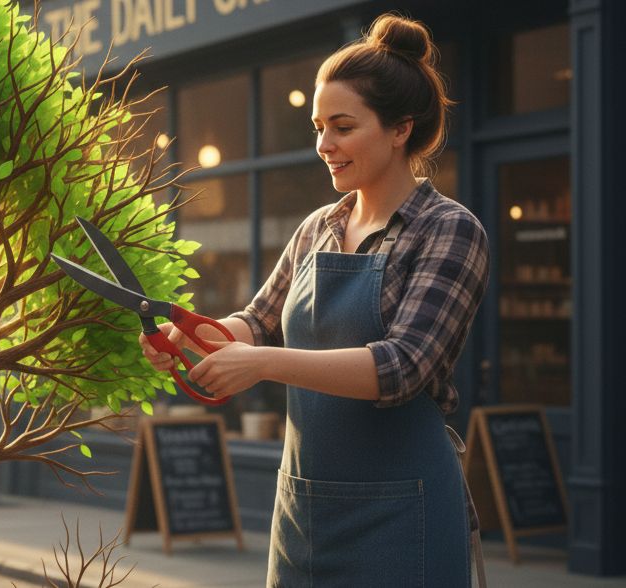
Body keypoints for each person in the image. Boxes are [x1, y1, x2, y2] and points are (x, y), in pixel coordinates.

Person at [139, 13, 490, 587]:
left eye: (343, 127)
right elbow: (258, 321)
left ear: (400, 129)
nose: (324, 145)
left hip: (405, 514)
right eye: (318, 127)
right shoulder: (318, 227)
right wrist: (191, 335)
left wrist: (264, 365)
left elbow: (401, 367)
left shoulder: (449, 230)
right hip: (304, 512)